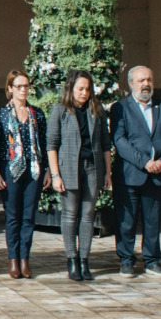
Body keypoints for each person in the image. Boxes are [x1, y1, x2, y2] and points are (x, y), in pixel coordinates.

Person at [110, 65, 161, 278]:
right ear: (131, 84)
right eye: (141, 80)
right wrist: (144, 162)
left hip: (157, 173)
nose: (146, 84)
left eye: (149, 80)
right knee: (127, 220)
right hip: (130, 174)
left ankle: (152, 261)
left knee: (153, 220)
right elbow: (120, 140)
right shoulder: (120, 108)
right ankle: (126, 260)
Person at [46, 69, 112, 282]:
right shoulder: (60, 111)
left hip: (92, 167)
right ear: (71, 89)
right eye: (80, 89)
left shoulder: (96, 110)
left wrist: (108, 172)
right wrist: (55, 175)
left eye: (87, 89)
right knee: (69, 214)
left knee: (88, 214)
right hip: (68, 168)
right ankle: (72, 258)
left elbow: (105, 144)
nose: (84, 93)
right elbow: (52, 145)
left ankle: (84, 259)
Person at [0, 68, 47, 280]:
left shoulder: (37, 114)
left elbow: (43, 143)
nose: (23, 90)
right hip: (10, 170)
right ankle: (13, 259)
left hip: (34, 170)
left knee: (29, 216)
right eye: (18, 86)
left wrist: (47, 170)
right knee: (13, 216)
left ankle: (25, 259)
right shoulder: (2, 115)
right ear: (10, 89)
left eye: (25, 86)